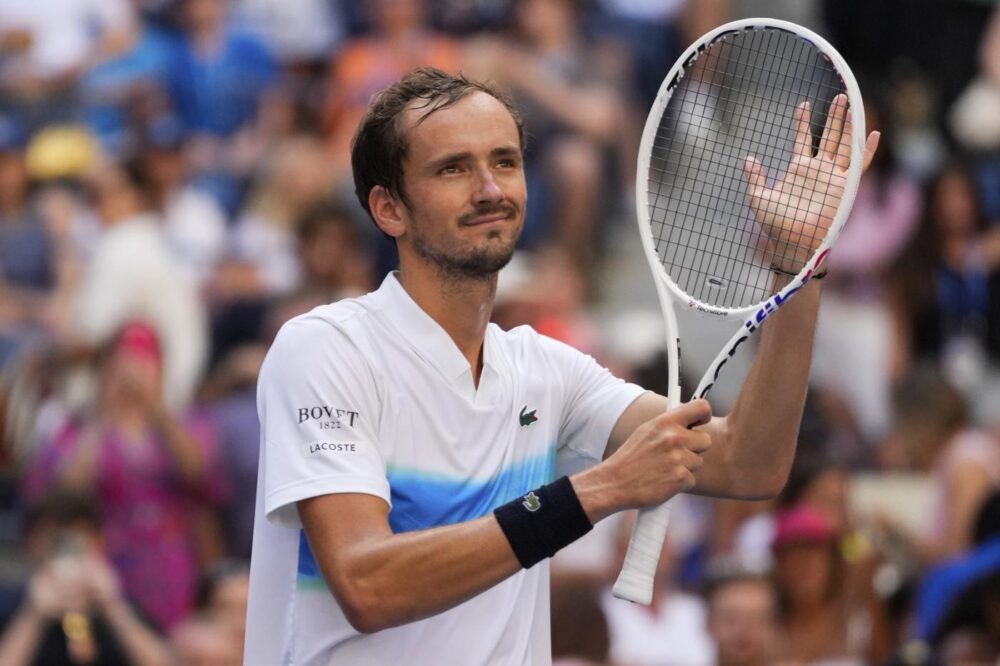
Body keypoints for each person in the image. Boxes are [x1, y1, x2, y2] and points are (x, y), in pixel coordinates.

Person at [244, 67, 880, 664]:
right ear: (389, 209)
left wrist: (799, 267)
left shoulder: (544, 369)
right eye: (453, 169)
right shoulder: (325, 348)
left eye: (505, 162)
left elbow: (748, 461)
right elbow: (366, 583)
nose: (490, 189)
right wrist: (601, 490)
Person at [0, 491, 171, 666]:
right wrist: (33, 616)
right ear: (30, 544)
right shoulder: (7, 605)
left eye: (77, 541)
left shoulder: (124, 606)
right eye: (55, 541)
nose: (66, 553)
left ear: (99, 543)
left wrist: (115, 610)